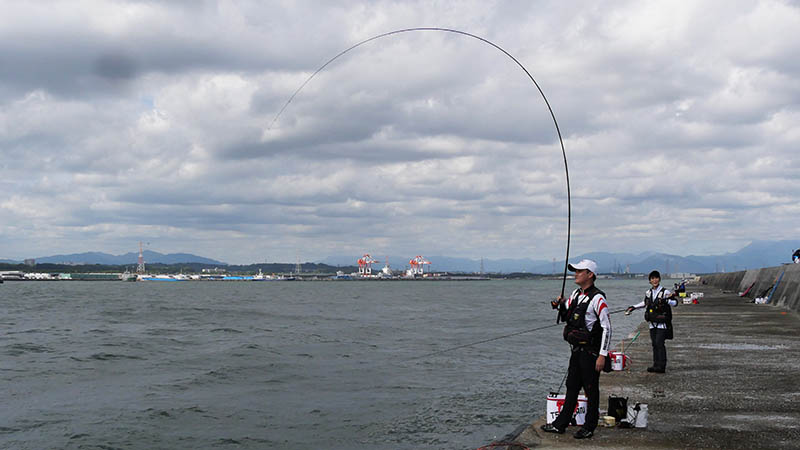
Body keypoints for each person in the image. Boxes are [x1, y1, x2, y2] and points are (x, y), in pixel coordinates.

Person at [540, 259, 611, 440]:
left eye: (580, 271)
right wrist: (560, 304)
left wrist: (602, 355)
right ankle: (560, 424)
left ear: (590, 275)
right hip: (576, 351)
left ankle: (589, 426)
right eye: (575, 271)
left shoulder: (598, 298)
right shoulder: (575, 294)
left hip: (591, 352)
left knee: (590, 389)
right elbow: (568, 313)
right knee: (571, 386)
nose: (576, 274)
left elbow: (607, 328)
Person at [625, 270, 678, 373]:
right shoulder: (648, 293)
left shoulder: (665, 292)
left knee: (659, 343)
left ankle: (661, 366)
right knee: (654, 344)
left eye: (656, 278)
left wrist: (666, 300)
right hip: (652, 324)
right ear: (650, 281)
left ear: (659, 279)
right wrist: (633, 307)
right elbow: (644, 303)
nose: (654, 280)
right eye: (652, 278)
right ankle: (655, 365)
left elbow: (675, 303)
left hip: (662, 324)